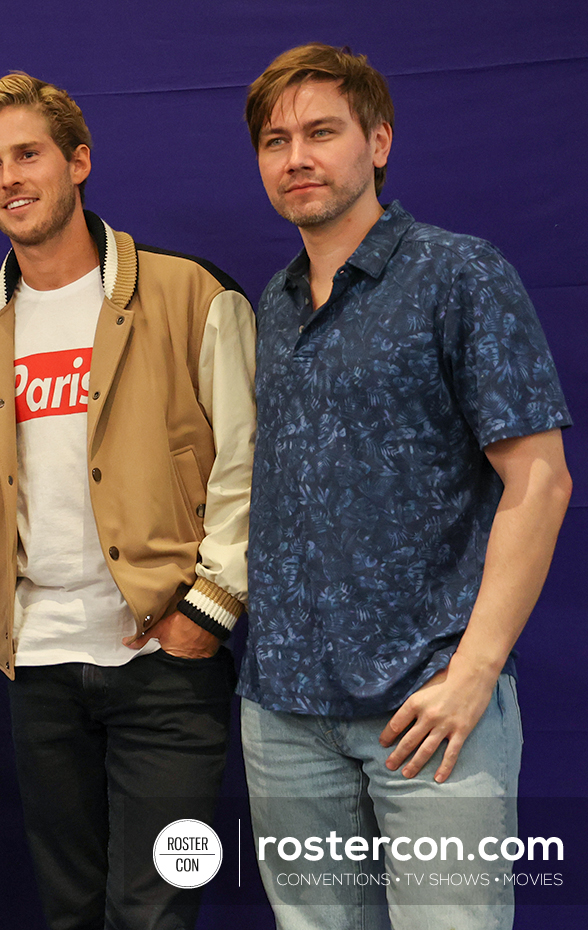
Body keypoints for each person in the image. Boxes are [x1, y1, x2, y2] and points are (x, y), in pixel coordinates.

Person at [239, 43, 572, 929]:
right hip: (284, 714)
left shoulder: (458, 275)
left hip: (429, 711)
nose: (297, 157)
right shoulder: (272, 305)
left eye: (321, 132)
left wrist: (475, 673)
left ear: (378, 141)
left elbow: (539, 484)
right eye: (276, 141)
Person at [0, 72, 257, 930]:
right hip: (37, 666)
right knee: (68, 911)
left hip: (168, 663)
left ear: (78, 161)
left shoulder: (189, 294)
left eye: (28, 154)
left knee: (155, 912)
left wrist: (206, 612)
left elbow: (250, 467)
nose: (11, 178)